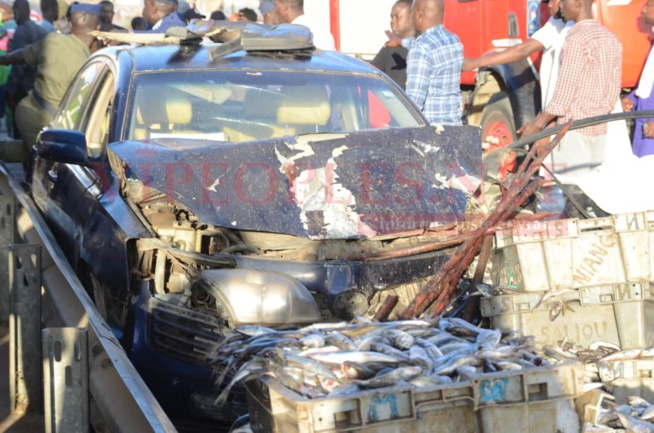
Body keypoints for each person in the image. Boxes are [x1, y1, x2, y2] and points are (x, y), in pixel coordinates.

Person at [518, 0, 622, 179]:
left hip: (573, 132)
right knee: (592, 191)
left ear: (577, 3)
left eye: (563, 1)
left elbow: (563, 97)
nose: (560, 5)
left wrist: (537, 125)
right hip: (599, 129)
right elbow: (613, 92)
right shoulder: (610, 38)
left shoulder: (576, 39)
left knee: (571, 190)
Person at [0, 3, 101, 158]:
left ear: (70, 23)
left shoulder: (53, 40)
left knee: (29, 153)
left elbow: (23, 55)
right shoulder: (89, 63)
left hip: (28, 111)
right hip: (43, 122)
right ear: (98, 27)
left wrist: (5, 59)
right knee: (47, 161)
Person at [463, 0, 570, 109]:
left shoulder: (562, 26)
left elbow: (522, 50)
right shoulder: (560, 22)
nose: (549, 5)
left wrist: (474, 62)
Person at [404, 0, 463, 125]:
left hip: (431, 132)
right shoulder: (454, 40)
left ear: (419, 15)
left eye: (412, 12)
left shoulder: (420, 50)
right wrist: (399, 41)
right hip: (454, 128)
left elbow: (414, 103)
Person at [5, 0, 47, 138]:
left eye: (15, 12)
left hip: (22, 89)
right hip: (36, 88)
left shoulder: (21, 31)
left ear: (18, 11)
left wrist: (10, 89)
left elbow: (18, 64)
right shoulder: (40, 30)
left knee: (20, 132)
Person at [622, 0, 654, 157]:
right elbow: (649, 85)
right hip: (643, 127)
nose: (642, 10)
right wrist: (632, 99)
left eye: (649, 5)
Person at [371, 0, 414, 90]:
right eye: (391, 17)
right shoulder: (389, 47)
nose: (393, 21)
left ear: (412, 17)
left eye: (397, 17)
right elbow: (370, 72)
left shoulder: (421, 44)